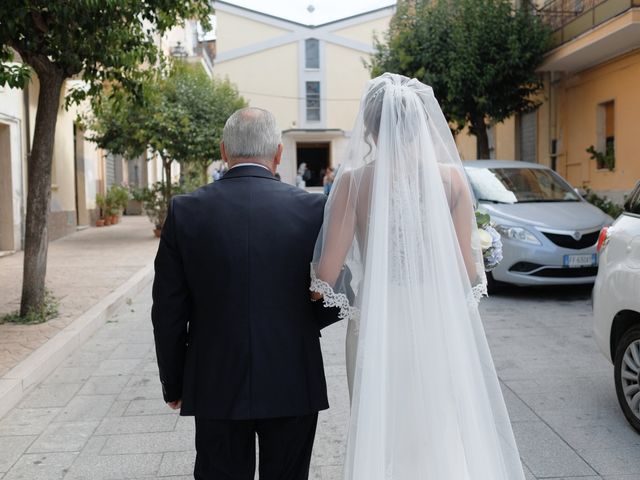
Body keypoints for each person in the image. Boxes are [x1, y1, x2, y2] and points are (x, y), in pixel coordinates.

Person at [310, 73, 525, 479]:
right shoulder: (452, 181)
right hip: (436, 323)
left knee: (380, 430)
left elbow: (326, 275)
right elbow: (468, 272)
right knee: (438, 428)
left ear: (370, 128)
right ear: (423, 124)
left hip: (377, 325)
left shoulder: (353, 183)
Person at [152, 107, 339, 480]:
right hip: (292, 376)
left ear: (223, 151)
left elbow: (168, 310)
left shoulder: (185, 211)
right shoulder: (315, 208)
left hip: (214, 379)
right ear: (278, 154)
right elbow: (337, 291)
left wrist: (174, 381)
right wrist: (300, 321)